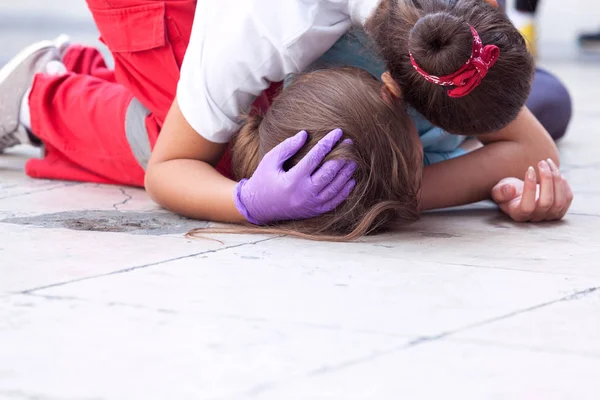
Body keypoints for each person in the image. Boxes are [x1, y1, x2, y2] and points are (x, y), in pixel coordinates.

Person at [0, 0, 572, 228]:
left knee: (548, 102)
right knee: (219, 157)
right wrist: (245, 200)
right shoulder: (268, 24)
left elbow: (533, 146)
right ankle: (40, 99)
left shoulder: (443, 33)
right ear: (394, 84)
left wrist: (398, 189)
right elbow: (170, 169)